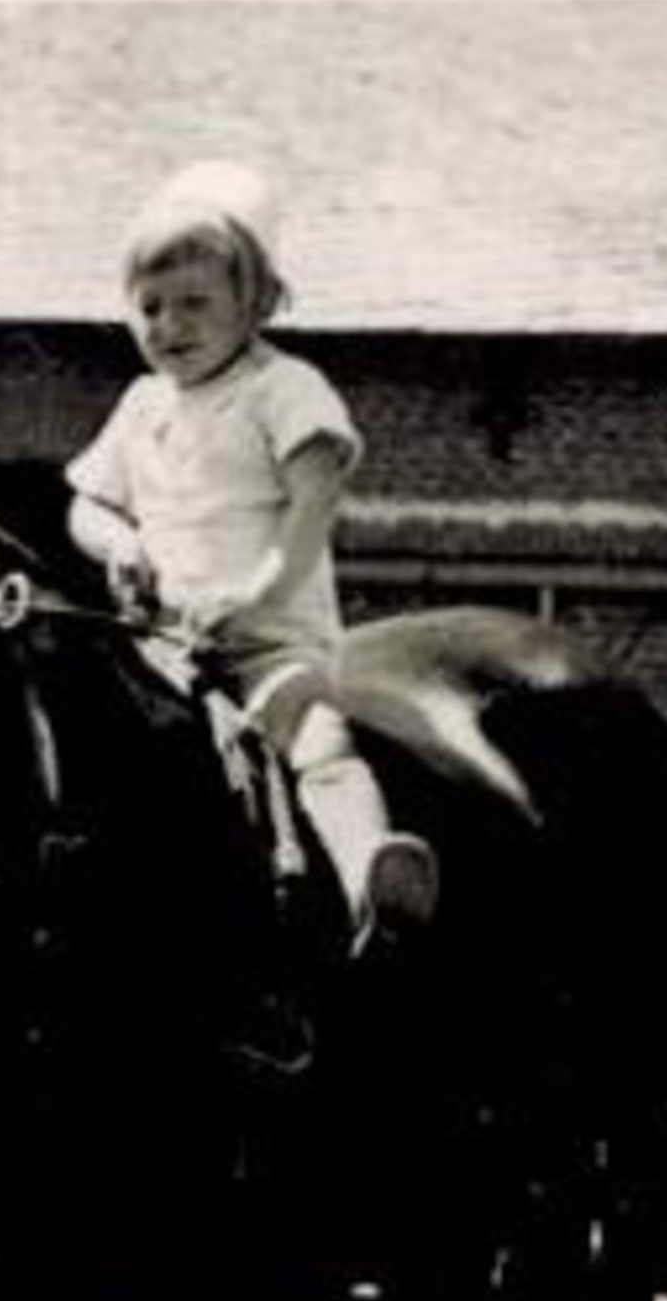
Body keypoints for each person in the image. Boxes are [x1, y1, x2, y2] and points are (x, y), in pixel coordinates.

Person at [65, 160, 439, 952]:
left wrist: (255, 590)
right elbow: (86, 503)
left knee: (317, 736)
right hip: (158, 642)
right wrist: (120, 540)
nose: (170, 325)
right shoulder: (142, 404)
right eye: (150, 307)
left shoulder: (283, 389)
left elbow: (312, 502)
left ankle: (370, 874)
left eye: (195, 303)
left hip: (267, 640)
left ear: (257, 302)